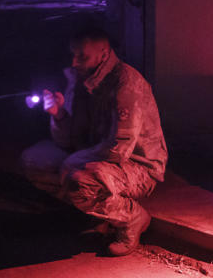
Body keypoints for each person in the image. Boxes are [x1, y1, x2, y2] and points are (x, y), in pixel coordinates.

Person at [20, 28, 168, 256]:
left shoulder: (126, 84)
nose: (74, 62)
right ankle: (92, 212)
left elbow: (118, 150)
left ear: (104, 53)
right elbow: (70, 140)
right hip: (96, 156)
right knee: (34, 161)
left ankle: (131, 218)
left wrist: (73, 162)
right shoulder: (82, 81)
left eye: (82, 56)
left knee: (80, 181)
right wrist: (58, 114)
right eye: (73, 54)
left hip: (138, 166)